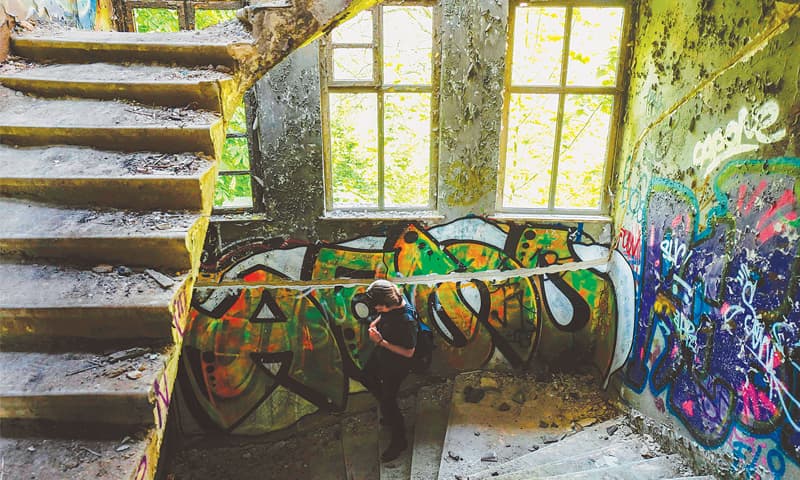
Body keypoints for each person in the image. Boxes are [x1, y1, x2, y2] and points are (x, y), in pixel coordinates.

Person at [361, 279, 418, 462]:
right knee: (366, 377)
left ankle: (399, 440)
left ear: (387, 304)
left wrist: (380, 342)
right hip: (383, 355)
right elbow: (384, 315)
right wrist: (375, 324)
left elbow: (409, 352)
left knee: (388, 401)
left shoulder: (406, 322)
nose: (375, 310)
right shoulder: (396, 299)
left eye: (378, 308)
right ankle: (388, 409)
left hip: (397, 364)